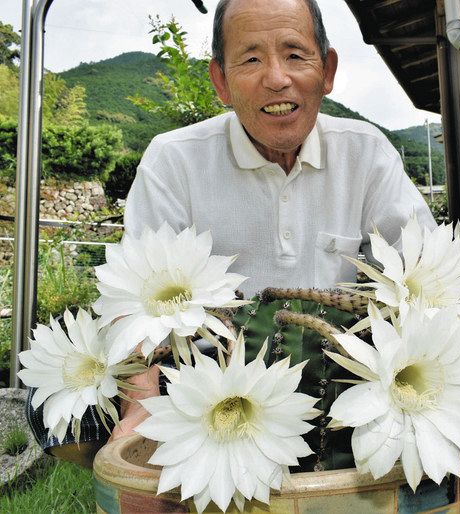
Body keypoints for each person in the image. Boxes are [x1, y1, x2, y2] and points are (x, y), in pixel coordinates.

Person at [30, 0, 435, 465]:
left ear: (328, 71)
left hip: (335, 373)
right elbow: (132, 294)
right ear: (220, 81)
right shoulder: (173, 160)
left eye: (295, 54)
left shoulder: (369, 153)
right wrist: (139, 400)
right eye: (251, 59)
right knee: (57, 412)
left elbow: (421, 276)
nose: (277, 78)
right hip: (201, 380)